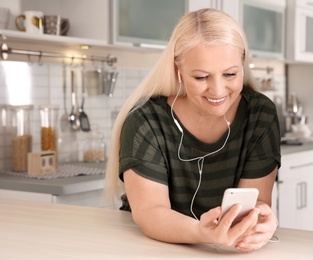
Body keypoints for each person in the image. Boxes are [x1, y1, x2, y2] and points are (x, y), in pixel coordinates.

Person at [105, 8, 281, 252]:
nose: (218, 91)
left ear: (242, 64)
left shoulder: (259, 115)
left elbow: (256, 201)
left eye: (230, 74)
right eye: (201, 77)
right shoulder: (146, 121)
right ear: (178, 70)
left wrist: (261, 220)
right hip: (150, 248)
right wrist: (202, 232)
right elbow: (150, 213)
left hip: (222, 252)